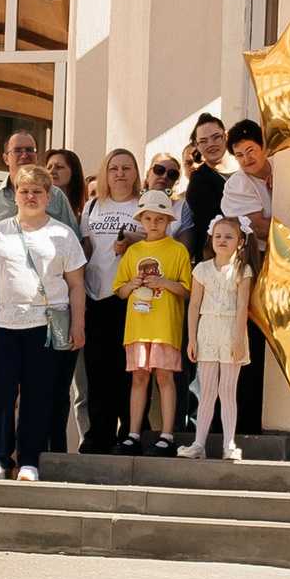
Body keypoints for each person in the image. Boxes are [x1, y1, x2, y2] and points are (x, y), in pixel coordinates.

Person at [0, 165, 85, 482]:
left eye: (37, 191)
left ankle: (30, 460)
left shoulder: (63, 234)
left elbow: (76, 285)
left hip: (45, 326)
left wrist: (78, 325)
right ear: (15, 195)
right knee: (1, 392)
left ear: (48, 196)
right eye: (24, 190)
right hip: (3, 325)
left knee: (38, 394)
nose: (30, 196)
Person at [112, 190, 190, 456]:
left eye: (159, 218)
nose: (153, 223)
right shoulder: (133, 251)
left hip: (165, 327)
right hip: (137, 327)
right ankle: (133, 435)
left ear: (168, 220)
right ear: (141, 220)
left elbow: (187, 289)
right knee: (138, 378)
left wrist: (163, 282)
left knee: (165, 378)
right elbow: (120, 291)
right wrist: (132, 284)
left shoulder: (177, 250)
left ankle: (167, 436)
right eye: (148, 218)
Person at [77, 149, 144, 453]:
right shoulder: (93, 206)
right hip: (96, 294)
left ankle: (130, 432)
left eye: (126, 168)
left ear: (135, 173)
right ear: (105, 173)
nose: (120, 174)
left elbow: (158, 242)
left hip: (129, 296)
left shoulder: (142, 205)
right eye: (114, 168)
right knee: (97, 369)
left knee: (126, 369)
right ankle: (99, 434)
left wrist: (132, 242)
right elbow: (87, 248)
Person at [221, 119, 275, 437]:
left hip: (285, 261)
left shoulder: (285, 169)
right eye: (239, 155)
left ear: (264, 146)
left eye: (251, 150)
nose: (246, 160)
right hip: (256, 263)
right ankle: (245, 425)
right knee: (251, 342)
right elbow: (259, 228)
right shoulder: (237, 185)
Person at [183, 216, 251, 461]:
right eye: (218, 236)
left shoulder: (243, 270)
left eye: (229, 237)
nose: (222, 240)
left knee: (228, 390)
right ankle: (198, 443)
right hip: (208, 330)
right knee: (207, 390)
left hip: (231, 329)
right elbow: (194, 305)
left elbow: (242, 306)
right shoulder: (201, 269)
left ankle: (229, 443)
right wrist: (192, 339)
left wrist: (238, 339)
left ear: (240, 242)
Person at [40, 148, 87, 458]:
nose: (53, 171)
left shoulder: (83, 213)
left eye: (61, 166)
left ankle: (69, 448)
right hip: (31, 314)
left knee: (71, 387)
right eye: (49, 166)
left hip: (72, 307)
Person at [0, 129, 75, 230]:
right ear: (6, 159)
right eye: (17, 151)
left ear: (37, 157)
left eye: (30, 150)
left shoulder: (56, 197)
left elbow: (71, 236)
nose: (24, 156)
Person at [180, 113, 230, 259]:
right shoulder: (199, 181)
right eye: (203, 141)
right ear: (197, 146)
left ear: (225, 137)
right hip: (217, 260)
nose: (210, 144)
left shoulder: (245, 170)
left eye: (216, 137)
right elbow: (214, 225)